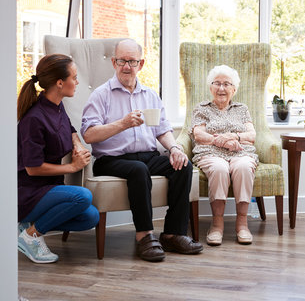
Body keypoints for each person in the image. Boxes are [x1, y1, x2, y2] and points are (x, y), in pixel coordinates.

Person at [81, 39, 202, 262]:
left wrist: (175, 148)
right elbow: (89, 134)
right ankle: (144, 235)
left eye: (132, 61)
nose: (126, 66)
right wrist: (122, 124)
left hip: (148, 156)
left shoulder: (150, 95)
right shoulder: (101, 95)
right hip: (111, 159)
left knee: (182, 164)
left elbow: (163, 130)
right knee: (137, 169)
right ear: (113, 62)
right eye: (121, 61)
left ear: (141, 64)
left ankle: (173, 233)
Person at [17, 54, 100, 264]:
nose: (77, 81)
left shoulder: (57, 106)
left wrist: (78, 146)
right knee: (82, 197)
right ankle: (31, 236)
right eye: (74, 77)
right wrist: (72, 167)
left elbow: (70, 129)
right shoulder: (34, 118)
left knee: (91, 216)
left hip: (50, 189)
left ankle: (27, 226)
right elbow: (32, 169)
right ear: (60, 83)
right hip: (27, 192)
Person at [191, 65, 258, 246]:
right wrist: (221, 141)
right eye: (217, 84)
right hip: (210, 152)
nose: (221, 88)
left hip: (240, 151)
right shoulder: (202, 108)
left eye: (226, 84)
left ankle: (242, 224)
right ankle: (217, 225)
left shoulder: (242, 109)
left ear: (234, 89)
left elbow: (251, 136)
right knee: (220, 168)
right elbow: (199, 135)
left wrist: (234, 137)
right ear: (210, 87)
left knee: (243, 167)